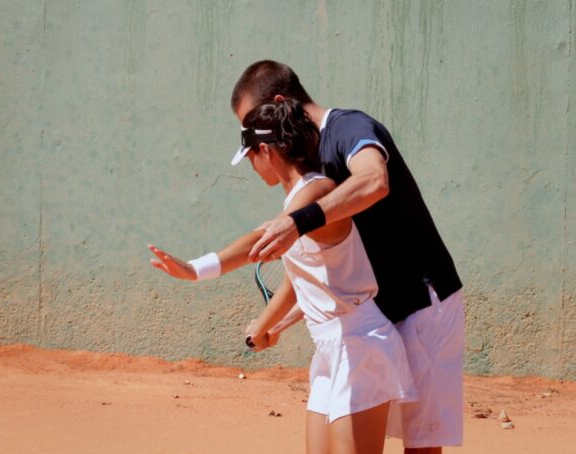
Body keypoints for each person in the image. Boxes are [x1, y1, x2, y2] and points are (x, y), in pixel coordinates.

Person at [149, 99, 416, 453]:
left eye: (250, 159)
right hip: (330, 348)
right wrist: (271, 324)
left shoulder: (315, 192)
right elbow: (300, 280)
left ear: (265, 151)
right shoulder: (298, 199)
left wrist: (195, 270)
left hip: (361, 347)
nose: (252, 167)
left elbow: (259, 241)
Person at [231, 61, 465, 454]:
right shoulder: (308, 159)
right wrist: (282, 321)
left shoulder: (349, 128)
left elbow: (374, 180)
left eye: (254, 123)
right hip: (377, 316)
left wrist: (297, 222)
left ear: (278, 102)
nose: (252, 140)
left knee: (420, 447)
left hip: (424, 303)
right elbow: (327, 264)